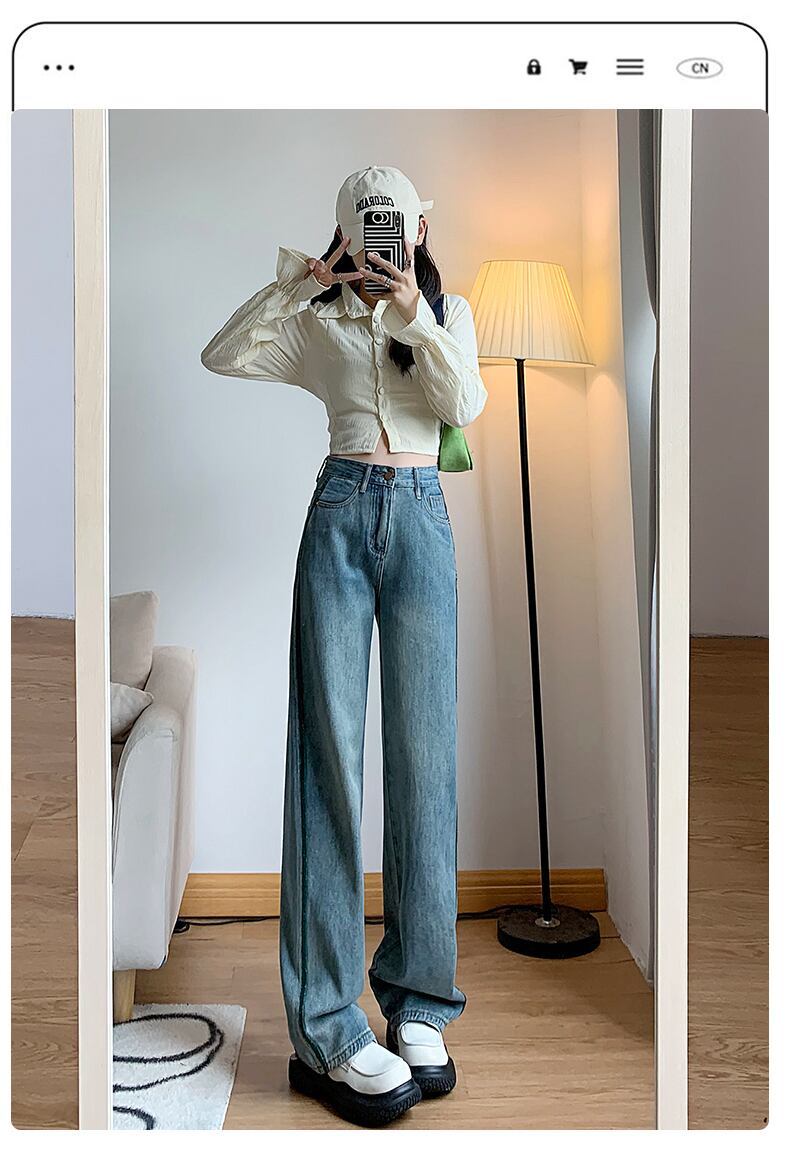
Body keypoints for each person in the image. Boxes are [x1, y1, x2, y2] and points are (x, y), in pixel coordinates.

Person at [201, 165, 488, 1127]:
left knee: (426, 765)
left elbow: (464, 403)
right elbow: (223, 355)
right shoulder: (318, 322)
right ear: (344, 236)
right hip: (339, 511)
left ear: (417, 233)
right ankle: (326, 1026)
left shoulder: (446, 313)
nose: (384, 245)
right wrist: (301, 281)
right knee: (327, 760)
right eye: (367, 232)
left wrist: (411, 311)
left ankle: (420, 1002)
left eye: (396, 229)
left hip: (422, 520)